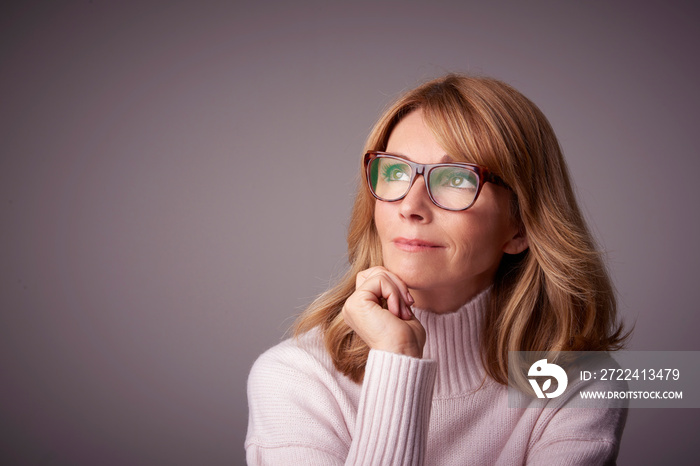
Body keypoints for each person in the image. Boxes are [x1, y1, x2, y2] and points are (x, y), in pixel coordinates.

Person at [245, 74, 629, 465]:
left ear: (520, 226)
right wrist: (397, 358)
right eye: (395, 172)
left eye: (456, 179)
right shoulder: (295, 378)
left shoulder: (579, 381)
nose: (410, 205)